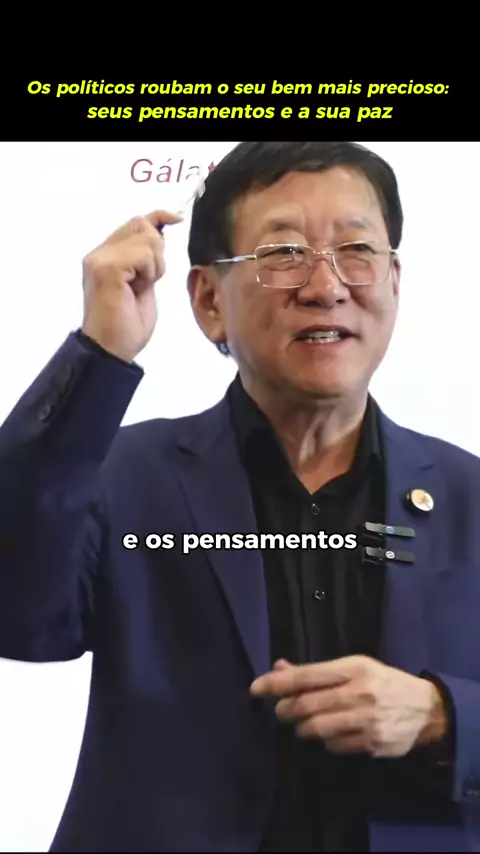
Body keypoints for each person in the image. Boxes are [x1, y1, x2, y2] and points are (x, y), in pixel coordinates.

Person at [0, 141, 479, 853]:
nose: (325, 286)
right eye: (283, 253)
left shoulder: (470, 496)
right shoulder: (122, 475)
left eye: (356, 251)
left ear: (395, 279)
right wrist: (98, 356)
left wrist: (444, 716)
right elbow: (19, 618)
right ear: (207, 300)